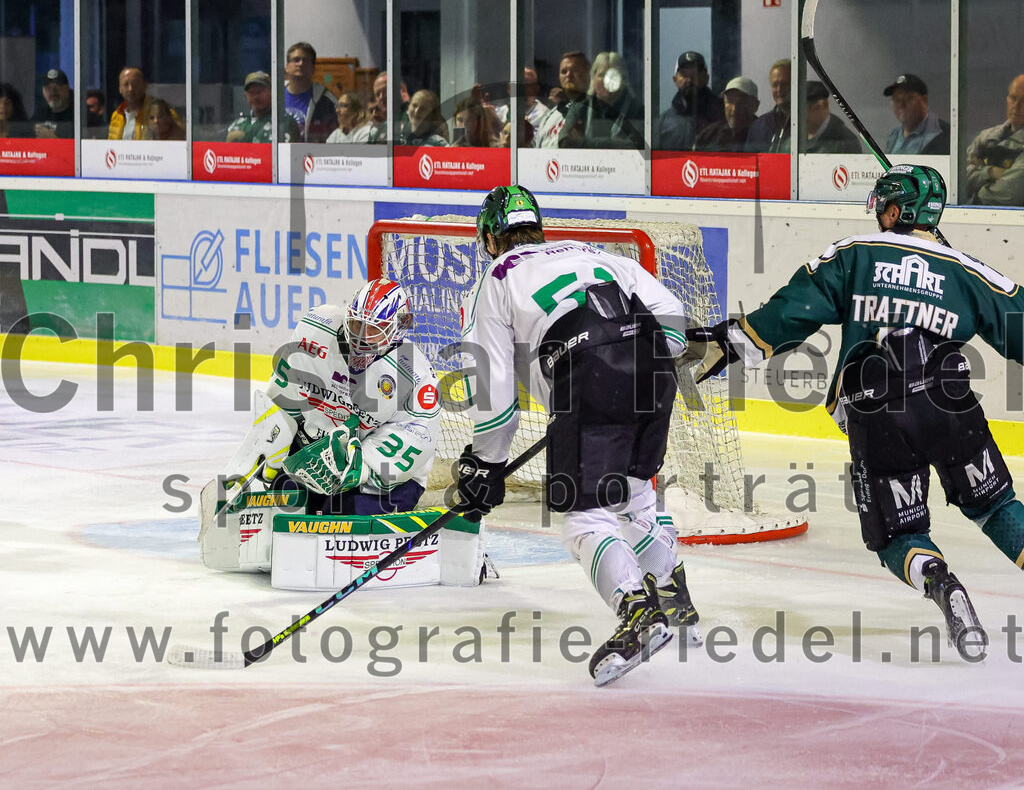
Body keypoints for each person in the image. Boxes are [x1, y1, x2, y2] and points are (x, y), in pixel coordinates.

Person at [686, 164, 1024, 661]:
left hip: (876, 407)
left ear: (893, 211)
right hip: (950, 404)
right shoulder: (968, 271)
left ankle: (941, 582)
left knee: (901, 534)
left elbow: (791, 312)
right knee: (995, 506)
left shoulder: (857, 252)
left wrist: (732, 341)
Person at [456, 185, 701, 686]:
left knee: (583, 515)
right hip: (654, 369)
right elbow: (675, 326)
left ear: (488, 238)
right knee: (633, 498)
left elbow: (497, 398)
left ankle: (637, 610)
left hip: (590, 374)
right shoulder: (596, 253)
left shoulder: (497, 278)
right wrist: (625, 368)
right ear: (538, 228)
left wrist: (486, 464)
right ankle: (678, 606)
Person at [200, 279, 445, 575]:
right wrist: (274, 440)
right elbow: (287, 394)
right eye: (356, 325)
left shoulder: (415, 378)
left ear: (396, 331)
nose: (361, 338)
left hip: (382, 480)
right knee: (284, 500)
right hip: (314, 457)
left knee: (343, 519)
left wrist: (359, 466)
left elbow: (414, 443)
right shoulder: (317, 329)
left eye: (374, 330)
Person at [558, 51, 643, 150]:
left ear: (623, 79)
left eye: (613, 76)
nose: (606, 81)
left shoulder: (637, 110)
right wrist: (616, 143)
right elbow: (564, 142)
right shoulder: (580, 107)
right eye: (602, 75)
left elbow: (634, 145)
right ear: (593, 78)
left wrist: (581, 142)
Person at [965, 74, 1024, 206]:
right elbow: (959, 178)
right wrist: (990, 172)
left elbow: (1010, 193)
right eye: (1013, 98)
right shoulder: (986, 137)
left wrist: (973, 197)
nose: (1017, 105)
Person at [654, 51, 724, 151]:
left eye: (695, 74)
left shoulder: (723, 116)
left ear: (706, 78)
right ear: (675, 80)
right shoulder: (663, 123)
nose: (690, 79)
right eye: (684, 74)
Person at [283, 41, 338, 143]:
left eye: (306, 61)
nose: (301, 64)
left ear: (313, 68)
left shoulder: (327, 101)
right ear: (287, 67)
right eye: (296, 60)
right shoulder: (274, 97)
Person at [882, 74, 949, 155]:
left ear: (924, 100)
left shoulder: (942, 134)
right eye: (896, 100)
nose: (901, 105)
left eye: (908, 98)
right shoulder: (894, 135)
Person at [533, 51, 590, 148]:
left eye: (575, 70)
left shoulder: (594, 110)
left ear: (587, 75)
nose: (568, 75)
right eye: (564, 72)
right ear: (559, 77)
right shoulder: (550, 115)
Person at [225, 71, 300, 143]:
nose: (256, 97)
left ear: (272, 92)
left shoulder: (283, 122)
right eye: (252, 92)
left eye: (260, 91)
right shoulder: (238, 124)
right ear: (245, 96)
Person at [694, 76, 759, 152]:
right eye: (730, 101)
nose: (734, 109)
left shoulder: (765, 134)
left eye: (741, 102)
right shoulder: (708, 135)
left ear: (755, 105)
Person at [109, 67, 174, 141]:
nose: (130, 89)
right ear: (120, 89)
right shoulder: (117, 115)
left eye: (135, 84)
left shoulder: (161, 110)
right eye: (126, 84)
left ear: (145, 86)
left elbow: (180, 140)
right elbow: (111, 146)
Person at [745, 59, 790, 153]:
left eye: (785, 84)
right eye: (775, 85)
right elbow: (751, 164)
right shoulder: (759, 126)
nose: (779, 89)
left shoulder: (812, 121)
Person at [804, 81, 861, 154]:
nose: (801, 116)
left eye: (808, 109)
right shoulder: (794, 138)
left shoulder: (845, 143)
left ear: (824, 105)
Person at [32, 68, 75, 139]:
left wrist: (53, 138)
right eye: (48, 88)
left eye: (56, 88)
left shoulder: (79, 114)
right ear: (43, 91)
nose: (52, 93)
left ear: (67, 89)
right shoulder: (41, 113)